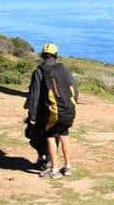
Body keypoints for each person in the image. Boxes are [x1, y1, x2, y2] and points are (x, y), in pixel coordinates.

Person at [26, 43, 78, 179]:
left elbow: (34, 94)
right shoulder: (64, 69)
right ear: (56, 56)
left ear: (43, 56)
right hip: (68, 111)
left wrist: (32, 115)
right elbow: (74, 89)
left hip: (53, 113)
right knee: (64, 135)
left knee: (50, 136)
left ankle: (54, 169)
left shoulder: (39, 71)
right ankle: (67, 167)